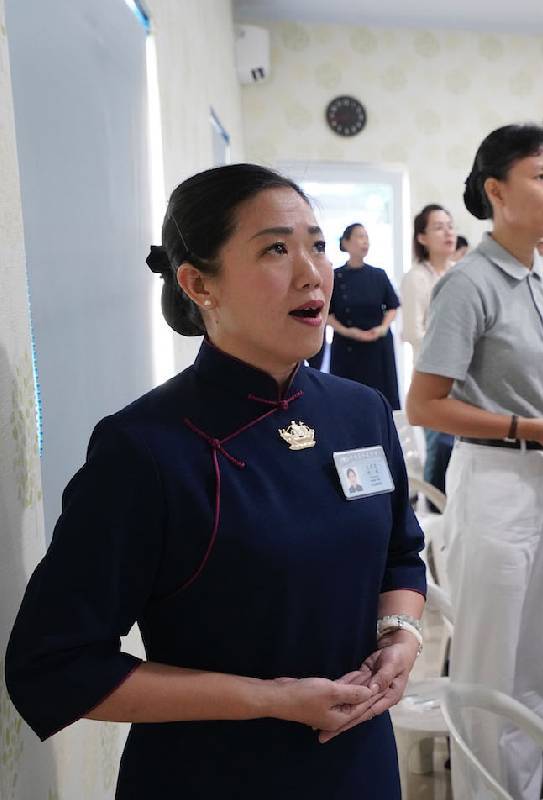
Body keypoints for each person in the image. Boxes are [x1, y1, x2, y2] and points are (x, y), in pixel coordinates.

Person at [4, 164, 427, 799]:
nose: (313, 271)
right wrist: (269, 699)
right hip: (215, 774)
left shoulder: (360, 411)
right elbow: (56, 666)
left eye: (317, 242)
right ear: (200, 284)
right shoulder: (145, 448)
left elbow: (399, 553)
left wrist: (401, 635)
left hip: (357, 763)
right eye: (276, 249)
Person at [405, 122, 543, 800]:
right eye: (540, 176)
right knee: (491, 668)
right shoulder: (470, 284)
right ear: (496, 191)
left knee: (542, 664)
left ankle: (523, 790)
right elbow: (424, 404)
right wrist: (528, 426)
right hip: (497, 485)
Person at [400, 204, 458, 494]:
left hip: (464, 382)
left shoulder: (459, 273)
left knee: (459, 455)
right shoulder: (416, 278)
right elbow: (413, 332)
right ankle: (434, 521)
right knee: (440, 454)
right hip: (432, 379)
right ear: (422, 238)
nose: (448, 232)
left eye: (450, 225)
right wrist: (452, 351)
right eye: (438, 227)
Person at [327, 223, 402, 409]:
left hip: (378, 344)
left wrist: (383, 328)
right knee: (347, 401)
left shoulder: (378, 275)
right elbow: (326, 313)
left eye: (367, 237)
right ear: (346, 243)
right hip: (347, 345)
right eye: (360, 236)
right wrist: (347, 331)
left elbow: (393, 305)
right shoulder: (335, 276)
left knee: (382, 400)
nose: (365, 242)